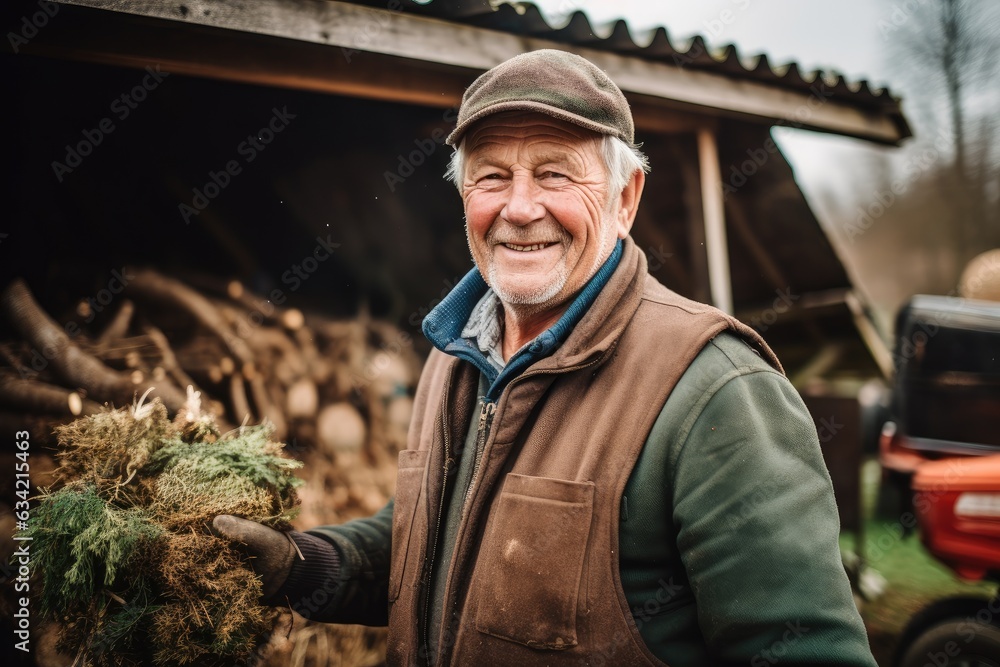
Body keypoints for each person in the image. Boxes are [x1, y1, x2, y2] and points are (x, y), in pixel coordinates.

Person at [214, 49, 878, 666]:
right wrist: (304, 565)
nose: (520, 207)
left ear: (625, 199)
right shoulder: (456, 357)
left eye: (554, 173)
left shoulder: (715, 390)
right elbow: (433, 541)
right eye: (492, 177)